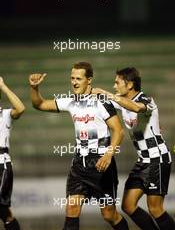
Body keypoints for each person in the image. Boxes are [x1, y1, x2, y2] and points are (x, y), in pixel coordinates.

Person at [29, 62, 129, 230]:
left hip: (101, 165)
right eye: (72, 78)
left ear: (89, 80)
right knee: (72, 208)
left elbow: (119, 131)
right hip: (79, 165)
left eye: (78, 79)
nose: (74, 82)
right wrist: (34, 88)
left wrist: (108, 155)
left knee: (109, 215)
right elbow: (39, 104)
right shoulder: (70, 102)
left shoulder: (101, 101)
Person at [92, 67, 175, 230]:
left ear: (129, 85)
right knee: (128, 206)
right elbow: (113, 105)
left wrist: (107, 93)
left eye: (117, 82)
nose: (114, 86)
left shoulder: (146, 99)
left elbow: (136, 108)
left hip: (157, 159)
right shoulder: (122, 103)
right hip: (143, 161)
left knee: (155, 209)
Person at [0, 77, 25, 230]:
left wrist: (3, 86)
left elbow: (21, 108)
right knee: (5, 214)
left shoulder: (5, 114)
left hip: (1, 164)